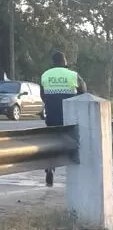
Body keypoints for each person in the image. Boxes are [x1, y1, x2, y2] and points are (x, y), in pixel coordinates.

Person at [40, 51, 87, 187]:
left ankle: (50, 167)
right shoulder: (73, 75)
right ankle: (76, 173)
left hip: (52, 118)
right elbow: (84, 93)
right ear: (64, 61)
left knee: (52, 145)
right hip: (70, 118)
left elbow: (43, 96)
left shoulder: (45, 75)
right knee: (75, 143)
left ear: (53, 62)